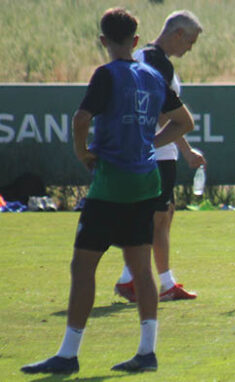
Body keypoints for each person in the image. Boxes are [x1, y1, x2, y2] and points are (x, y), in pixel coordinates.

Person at [21, 8, 194, 374]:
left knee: (83, 266)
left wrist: (83, 153)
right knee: (140, 267)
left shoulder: (106, 74)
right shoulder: (151, 73)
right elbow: (184, 122)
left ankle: (68, 355)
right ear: (135, 40)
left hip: (112, 182)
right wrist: (149, 141)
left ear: (103, 41)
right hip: (146, 180)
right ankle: (147, 352)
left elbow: (81, 119)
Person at [114, 10, 205, 303]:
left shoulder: (144, 56)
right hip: (154, 150)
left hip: (155, 148)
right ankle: (133, 280)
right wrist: (185, 149)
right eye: (189, 41)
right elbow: (165, 113)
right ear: (177, 34)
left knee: (162, 216)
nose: (190, 49)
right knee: (154, 217)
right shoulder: (156, 62)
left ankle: (162, 282)